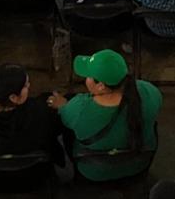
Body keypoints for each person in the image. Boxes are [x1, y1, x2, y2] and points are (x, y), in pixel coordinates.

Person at [59, 48, 160, 176]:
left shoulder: (78, 108)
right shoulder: (149, 92)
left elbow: (65, 116)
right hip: (138, 166)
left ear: (100, 86)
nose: (86, 79)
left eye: (88, 76)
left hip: (94, 173)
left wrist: (61, 105)